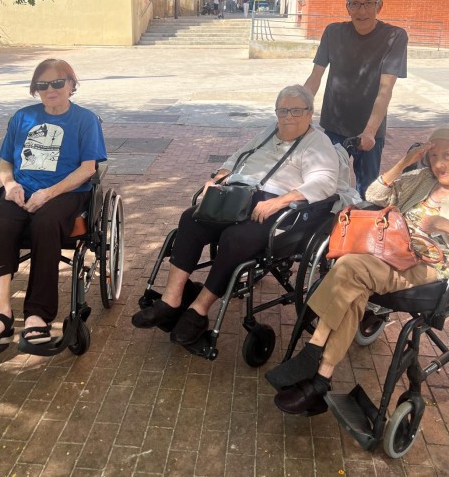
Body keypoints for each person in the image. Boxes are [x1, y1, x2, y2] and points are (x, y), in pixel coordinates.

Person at [265, 123, 449, 416]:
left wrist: (448, 225)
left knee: (349, 266)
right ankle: (321, 379)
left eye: (447, 155)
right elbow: (375, 194)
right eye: (434, 155)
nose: (439, 163)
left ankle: (313, 351)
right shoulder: (422, 178)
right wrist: (403, 163)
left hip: (431, 265)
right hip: (393, 252)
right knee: (352, 288)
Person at [131, 85, 342, 346]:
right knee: (190, 218)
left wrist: (280, 201)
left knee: (235, 238)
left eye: (296, 111)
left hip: (278, 206)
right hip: (238, 195)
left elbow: (324, 183)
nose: (288, 116)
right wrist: (218, 178)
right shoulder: (269, 131)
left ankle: (198, 310)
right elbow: (238, 158)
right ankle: (171, 301)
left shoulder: (318, 143)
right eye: (283, 110)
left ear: (310, 113)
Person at [0, 59, 107, 359]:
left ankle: (37, 315)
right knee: (0, 221)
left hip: (66, 192)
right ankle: (2, 314)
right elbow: (5, 161)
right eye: (42, 84)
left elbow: (88, 168)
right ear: (35, 89)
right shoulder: (22, 117)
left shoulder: (85, 120)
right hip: (22, 190)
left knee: (45, 223)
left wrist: (49, 193)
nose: (50, 89)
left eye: (57, 82)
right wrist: (9, 185)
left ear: (71, 85)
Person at [304, 0, 408, 199]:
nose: (362, 11)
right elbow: (315, 77)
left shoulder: (395, 37)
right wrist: (298, 108)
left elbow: (386, 88)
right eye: (355, 4)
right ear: (347, 7)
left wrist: (370, 131)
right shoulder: (333, 33)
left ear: (379, 6)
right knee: (326, 185)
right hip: (334, 126)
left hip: (369, 130)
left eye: (368, 3)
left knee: (367, 192)